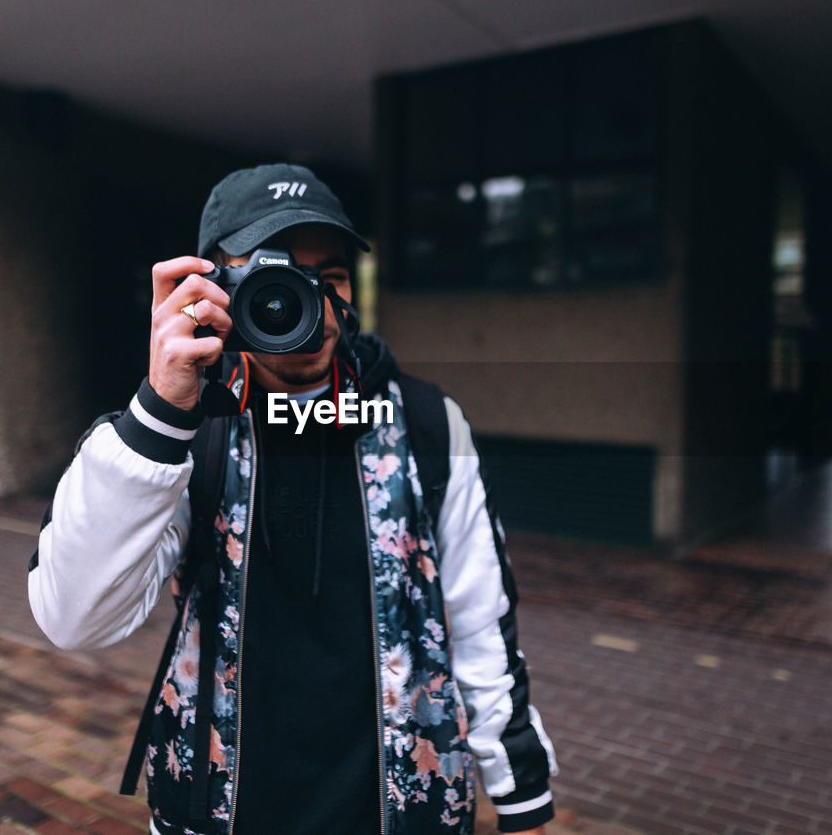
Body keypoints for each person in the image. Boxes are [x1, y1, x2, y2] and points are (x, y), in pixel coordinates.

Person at [28, 163, 557, 835]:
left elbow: (481, 622)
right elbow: (75, 619)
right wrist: (160, 412)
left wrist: (522, 797)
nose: (302, 300)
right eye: (269, 277)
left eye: (328, 277)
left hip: (400, 811)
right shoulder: (180, 433)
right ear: (209, 288)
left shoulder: (424, 421)